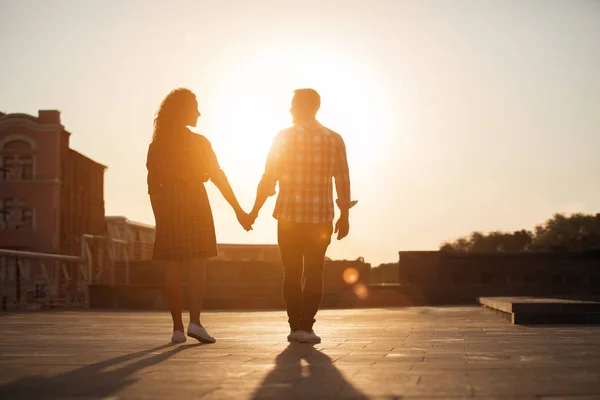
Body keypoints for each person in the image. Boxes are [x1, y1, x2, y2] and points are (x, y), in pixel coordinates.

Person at [249, 88, 357, 344]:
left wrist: (253, 211)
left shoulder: (283, 138)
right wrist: (344, 215)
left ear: (298, 107)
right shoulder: (334, 139)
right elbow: (342, 178)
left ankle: (294, 326)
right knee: (314, 272)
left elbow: (268, 178)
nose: (290, 109)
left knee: (291, 272)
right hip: (320, 218)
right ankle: (306, 327)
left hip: (288, 218)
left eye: (292, 105)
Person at [147, 88, 252, 344]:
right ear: (183, 110)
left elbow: (152, 186)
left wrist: (159, 216)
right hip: (195, 202)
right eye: (195, 107)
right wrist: (239, 211)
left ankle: (176, 329)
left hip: (169, 205)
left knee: (172, 268)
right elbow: (218, 177)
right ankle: (195, 322)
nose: (199, 112)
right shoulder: (199, 142)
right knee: (197, 267)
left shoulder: (157, 145)